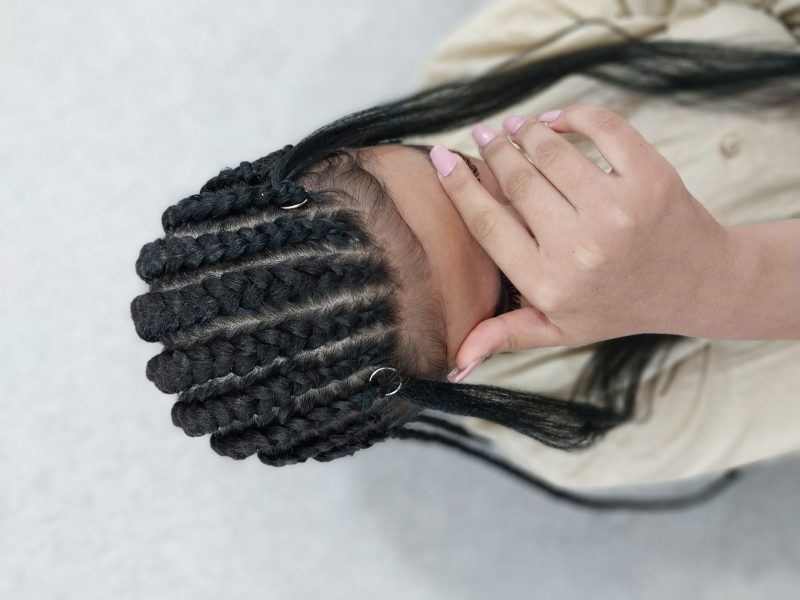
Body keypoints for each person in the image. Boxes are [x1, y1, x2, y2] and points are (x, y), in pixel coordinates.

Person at [130, 0, 800, 510]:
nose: (529, 208)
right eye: (513, 284)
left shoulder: (483, 68)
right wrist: (715, 283)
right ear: (456, 374)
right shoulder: (597, 426)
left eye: (466, 171)